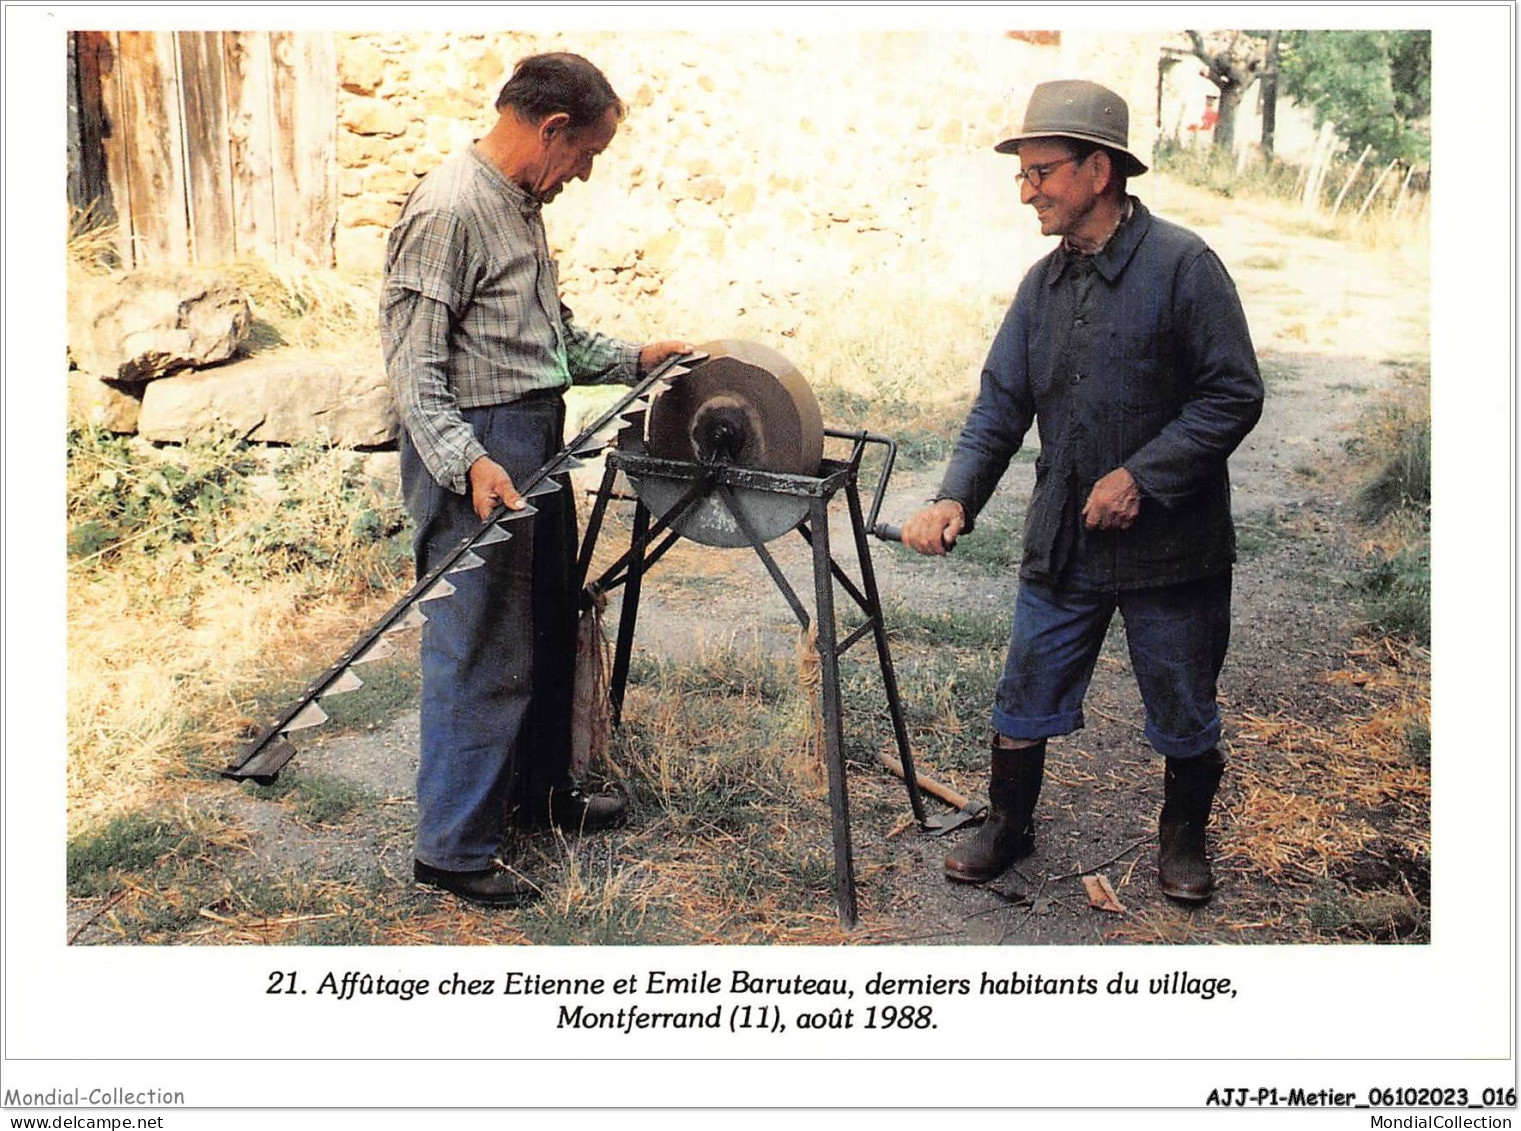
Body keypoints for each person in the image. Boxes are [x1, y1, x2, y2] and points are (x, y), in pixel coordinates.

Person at [901, 79, 1263, 903]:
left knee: (1181, 702)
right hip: (1063, 539)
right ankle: (1008, 821)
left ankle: (1182, 839)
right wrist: (956, 495)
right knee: (1025, 687)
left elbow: (1232, 395)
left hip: (1174, 550)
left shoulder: (1184, 267)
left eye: (1042, 172)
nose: (1027, 191)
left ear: (1098, 170)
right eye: (1020, 175)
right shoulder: (1041, 286)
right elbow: (999, 404)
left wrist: (1143, 474)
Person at [380, 52, 691, 908]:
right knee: (480, 644)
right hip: (475, 448)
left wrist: (633, 358)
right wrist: (465, 460)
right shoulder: (449, 206)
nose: (585, 173)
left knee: (546, 626)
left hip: (530, 436)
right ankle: (451, 846)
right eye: (586, 153)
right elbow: (412, 370)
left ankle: (537, 795)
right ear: (553, 129)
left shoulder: (520, 202)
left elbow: (541, 339)